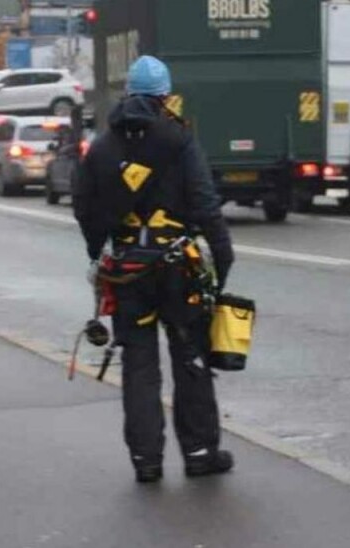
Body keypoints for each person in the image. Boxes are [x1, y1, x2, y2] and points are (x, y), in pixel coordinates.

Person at [73, 56, 235, 483]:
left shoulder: (103, 146)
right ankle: (200, 452)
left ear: (128, 94)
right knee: (190, 359)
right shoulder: (178, 140)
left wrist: (98, 253)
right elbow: (205, 204)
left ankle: (147, 461)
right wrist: (223, 262)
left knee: (139, 367)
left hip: (128, 272)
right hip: (177, 269)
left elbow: (85, 207)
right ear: (165, 97)